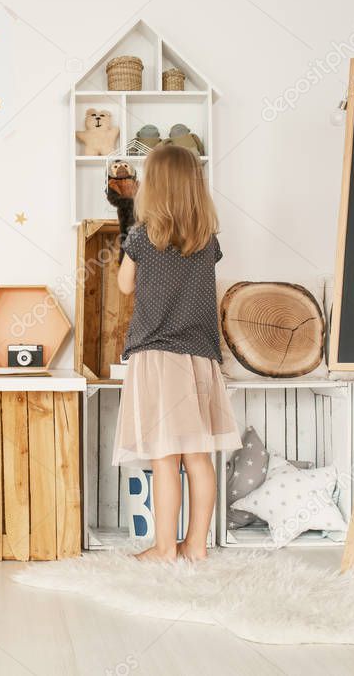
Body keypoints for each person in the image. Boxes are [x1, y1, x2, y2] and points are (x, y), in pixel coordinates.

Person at [113, 145, 241, 562]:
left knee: (165, 459)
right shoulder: (207, 241)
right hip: (200, 358)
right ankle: (196, 548)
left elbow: (124, 287)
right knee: (199, 458)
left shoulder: (141, 237)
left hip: (157, 357)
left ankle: (165, 548)